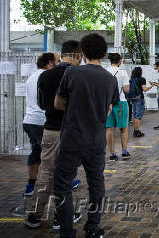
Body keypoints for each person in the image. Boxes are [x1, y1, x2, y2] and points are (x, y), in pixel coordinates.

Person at [53, 33, 119, 238]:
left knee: (62, 185)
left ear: (82, 53)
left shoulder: (72, 73)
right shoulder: (110, 79)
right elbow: (109, 108)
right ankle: (93, 228)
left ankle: (66, 232)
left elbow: (58, 103)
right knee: (96, 184)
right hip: (97, 140)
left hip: (72, 139)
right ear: (104, 53)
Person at [24, 41, 83, 229]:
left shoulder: (45, 76)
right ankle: (61, 217)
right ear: (78, 55)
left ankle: (34, 215)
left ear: (62, 53)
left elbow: (42, 105)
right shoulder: (78, 75)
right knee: (65, 174)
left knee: (46, 172)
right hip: (70, 131)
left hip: (50, 129)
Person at [23, 52, 56, 196]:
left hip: (29, 121)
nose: (58, 65)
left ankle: (30, 186)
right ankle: (55, 186)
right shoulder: (46, 77)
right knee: (52, 156)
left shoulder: (31, 77)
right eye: (57, 62)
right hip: (41, 121)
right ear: (49, 63)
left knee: (36, 152)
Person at [106, 53, 131, 161]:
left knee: (109, 129)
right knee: (123, 128)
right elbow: (126, 90)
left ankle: (112, 153)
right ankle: (124, 151)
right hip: (121, 102)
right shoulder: (123, 72)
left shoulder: (105, 71)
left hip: (108, 104)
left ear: (110, 61)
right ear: (119, 61)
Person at [128, 67, 154, 137]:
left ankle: (135, 131)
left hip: (132, 99)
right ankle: (137, 131)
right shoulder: (142, 79)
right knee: (138, 116)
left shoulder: (131, 79)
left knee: (135, 114)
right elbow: (144, 89)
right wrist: (151, 86)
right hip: (139, 99)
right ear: (140, 72)